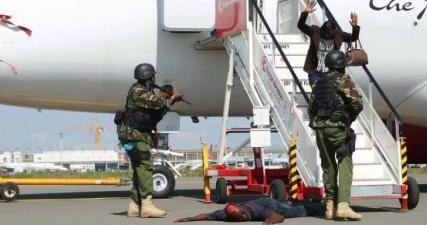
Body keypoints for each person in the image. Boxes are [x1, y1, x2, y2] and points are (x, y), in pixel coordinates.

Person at [117, 63, 182, 218]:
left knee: (139, 169)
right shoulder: (138, 91)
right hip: (134, 136)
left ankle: (134, 205)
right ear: (149, 77)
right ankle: (147, 205)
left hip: (134, 136)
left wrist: (170, 101)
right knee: (145, 168)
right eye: (153, 76)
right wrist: (167, 95)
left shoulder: (144, 92)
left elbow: (157, 113)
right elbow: (158, 102)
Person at [308, 51, 364, 221]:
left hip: (319, 128)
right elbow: (357, 103)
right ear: (341, 65)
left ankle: (330, 207)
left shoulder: (318, 83)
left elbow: (311, 108)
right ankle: (343, 206)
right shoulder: (342, 80)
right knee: (345, 162)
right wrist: (347, 117)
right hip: (336, 128)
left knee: (328, 165)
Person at [297, 1, 360, 86]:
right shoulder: (315, 31)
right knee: (318, 93)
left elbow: (353, 38)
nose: (327, 35)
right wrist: (305, 13)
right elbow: (301, 26)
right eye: (325, 33)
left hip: (331, 72)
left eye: (330, 34)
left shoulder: (339, 35)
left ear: (334, 32)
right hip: (315, 71)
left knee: (330, 94)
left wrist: (355, 27)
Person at [174, 197, 324, 224]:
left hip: (269, 204)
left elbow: (279, 217)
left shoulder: (256, 211)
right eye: (240, 219)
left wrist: (272, 220)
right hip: (262, 203)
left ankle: (321, 207)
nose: (244, 219)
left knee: (297, 211)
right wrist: (190, 218)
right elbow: (207, 215)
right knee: (291, 206)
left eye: (243, 217)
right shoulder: (224, 215)